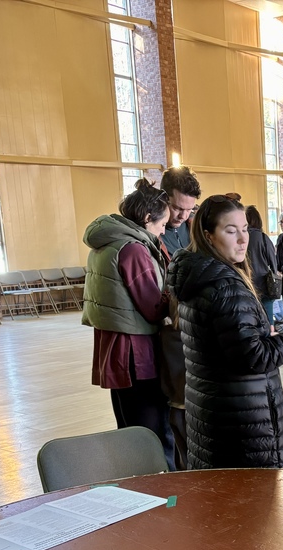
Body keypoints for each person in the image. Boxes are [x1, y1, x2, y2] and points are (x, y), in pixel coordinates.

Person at [169, 195, 283, 469]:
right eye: (231, 231)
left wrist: (263, 336)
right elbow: (253, 357)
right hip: (242, 422)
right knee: (259, 504)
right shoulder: (225, 286)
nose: (243, 239)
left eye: (244, 229)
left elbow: (230, 346)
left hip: (214, 414)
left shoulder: (197, 277)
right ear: (208, 236)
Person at [83, 179, 176, 470]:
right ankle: (166, 496)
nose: (163, 230)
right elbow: (152, 307)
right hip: (137, 353)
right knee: (152, 435)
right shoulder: (133, 249)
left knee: (128, 427)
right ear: (148, 218)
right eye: (162, 224)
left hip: (115, 348)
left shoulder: (106, 242)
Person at [244, 205, 280, 326]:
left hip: (246, 283)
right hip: (265, 284)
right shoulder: (264, 238)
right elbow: (273, 261)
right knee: (268, 317)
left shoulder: (241, 238)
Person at [159, 165, 201, 255]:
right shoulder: (151, 233)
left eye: (189, 209)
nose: (183, 216)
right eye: (177, 208)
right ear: (162, 198)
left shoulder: (197, 226)